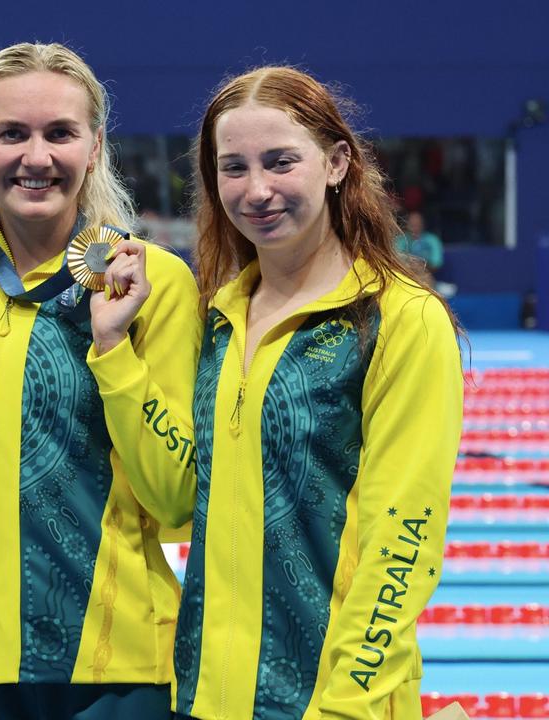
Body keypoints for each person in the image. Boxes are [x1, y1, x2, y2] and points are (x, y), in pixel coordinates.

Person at [173, 66, 463, 719]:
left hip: (332, 704)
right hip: (207, 698)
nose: (256, 191)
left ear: (336, 163)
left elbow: (404, 539)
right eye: (233, 168)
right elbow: (179, 496)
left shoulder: (400, 321)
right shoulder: (215, 320)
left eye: (280, 163)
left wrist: (345, 705)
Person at [0, 42, 201, 718]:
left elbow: (175, 496)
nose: (36, 157)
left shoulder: (154, 283)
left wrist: (112, 346)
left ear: (96, 144)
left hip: (115, 673)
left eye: (60, 133)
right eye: (11, 133)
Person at [395, 210, 444, 274]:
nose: (415, 227)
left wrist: (421, 266)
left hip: (428, 275)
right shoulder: (401, 240)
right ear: (407, 225)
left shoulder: (432, 240)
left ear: (423, 224)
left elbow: (436, 263)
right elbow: (396, 262)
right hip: (405, 275)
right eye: (412, 224)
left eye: (417, 224)